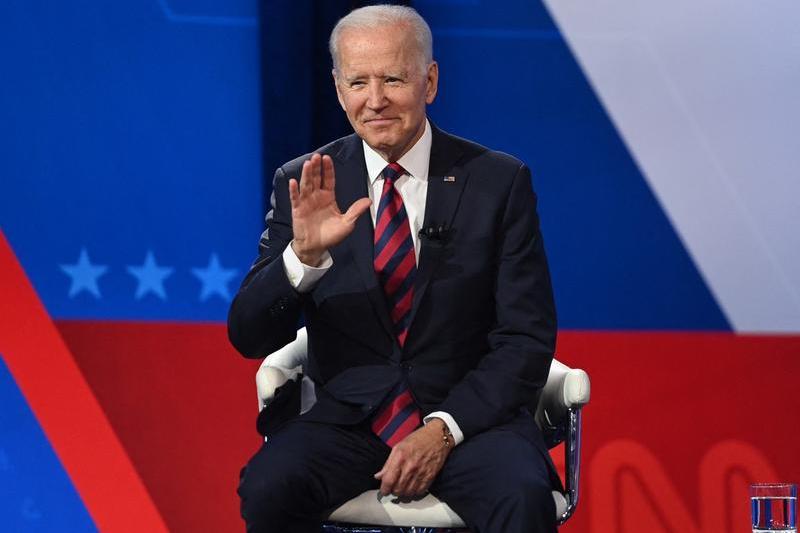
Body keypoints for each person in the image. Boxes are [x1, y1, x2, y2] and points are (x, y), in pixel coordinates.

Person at [228, 5, 559, 532]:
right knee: (270, 487)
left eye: (393, 79)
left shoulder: (496, 182)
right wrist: (303, 259)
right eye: (358, 81)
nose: (375, 100)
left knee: (521, 496)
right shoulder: (308, 181)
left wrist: (444, 429)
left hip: (469, 422)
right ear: (338, 90)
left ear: (429, 81)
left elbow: (525, 337)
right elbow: (248, 334)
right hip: (349, 423)